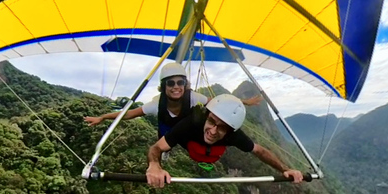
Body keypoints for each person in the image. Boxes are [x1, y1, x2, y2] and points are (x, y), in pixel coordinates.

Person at [146, 94, 304, 188]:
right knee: (168, 141)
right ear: (206, 116)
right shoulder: (190, 124)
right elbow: (156, 147)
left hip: (209, 153)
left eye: (221, 128)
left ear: (229, 130)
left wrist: (285, 169)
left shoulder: (233, 134)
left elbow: (259, 151)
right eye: (212, 122)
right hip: (189, 143)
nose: (213, 131)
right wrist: (154, 165)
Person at [84, 62, 262, 137]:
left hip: (183, 124)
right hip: (166, 126)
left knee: (196, 124)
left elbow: (219, 102)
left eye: (180, 82)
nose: (176, 86)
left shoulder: (193, 97)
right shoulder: (156, 103)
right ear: (164, 86)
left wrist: (246, 103)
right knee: (164, 140)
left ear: (185, 84)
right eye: (171, 83)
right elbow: (129, 114)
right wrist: (103, 117)